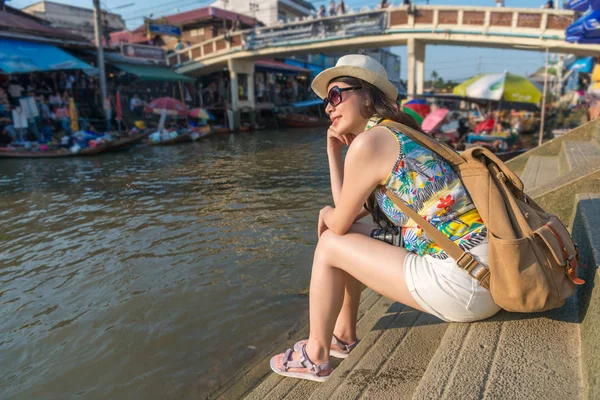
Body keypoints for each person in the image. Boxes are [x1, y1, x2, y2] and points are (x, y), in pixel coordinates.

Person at [269, 55, 499, 382]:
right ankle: (344, 335)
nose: (328, 107)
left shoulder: (370, 143)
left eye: (336, 95)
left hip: (463, 282)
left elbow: (336, 224)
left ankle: (316, 354)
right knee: (350, 237)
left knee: (331, 243)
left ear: (367, 95)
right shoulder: (398, 134)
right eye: (326, 101)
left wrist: (326, 213)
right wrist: (333, 153)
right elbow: (347, 212)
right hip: (483, 271)